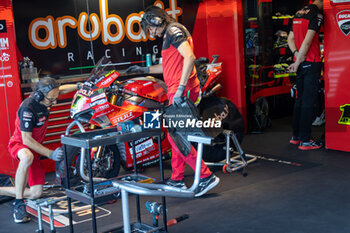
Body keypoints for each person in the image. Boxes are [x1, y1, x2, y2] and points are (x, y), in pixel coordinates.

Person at [126, 6, 219, 197]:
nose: (150, 32)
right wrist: (143, 70)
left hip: (180, 90)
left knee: (176, 137)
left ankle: (205, 176)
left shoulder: (173, 31)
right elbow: (169, 65)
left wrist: (181, 88)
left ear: (156, 20)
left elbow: (190, 57)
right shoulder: (170, 34)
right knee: (176, 133)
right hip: (177, 89)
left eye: (149, 27)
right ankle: (177, 178)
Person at [0, 77, 77, 223]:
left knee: (36, 194)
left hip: (35, 150)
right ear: (40, 95)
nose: (55, 102)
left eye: (56, 98)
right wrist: (50, 153)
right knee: (27, 157)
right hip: (19, 145)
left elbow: (61, 90)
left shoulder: (48, 95)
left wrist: (80, 85)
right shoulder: (28, 108)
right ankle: (18, 203)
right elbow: (26, 140)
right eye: (52, 99)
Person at [287, 0, 323, 150]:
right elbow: (307, 42)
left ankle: (296, 136)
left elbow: (290, 38)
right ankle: (306, 140)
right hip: (311, 61)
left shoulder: (298, 13)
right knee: (308, 101)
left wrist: (296, 56)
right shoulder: (317, 14)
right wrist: (300, 59)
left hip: (300, 61)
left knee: (300, 99)